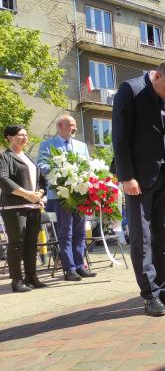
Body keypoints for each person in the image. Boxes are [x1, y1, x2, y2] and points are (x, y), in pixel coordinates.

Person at [112, 59, 165, 316]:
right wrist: (127, 176)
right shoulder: (131, 90)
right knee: (142, 238)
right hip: (138, 179)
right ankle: (149, 294)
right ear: (156, 76)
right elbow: (120, 136)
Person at [38, 115, 96, 281]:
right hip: (59, 194)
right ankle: (69, 268)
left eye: (75, 125)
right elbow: (42, 166)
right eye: (71, 125)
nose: (74, 128)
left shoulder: (81, 145)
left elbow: (87, 166)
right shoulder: (47, 145)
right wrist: (63, 170)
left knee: (80, 232)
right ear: (60, 126)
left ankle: (79, 265)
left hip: (79, 194)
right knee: (66, 232)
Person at [0, 125, 47, 292]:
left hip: (33, 206)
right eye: (20, 135)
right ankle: (17, 280)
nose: (25, 138)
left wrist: (39, 193)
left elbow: (42, 181)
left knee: (31, 243)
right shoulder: (5, 157)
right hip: (14, 207)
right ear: (9, 137)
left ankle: (32, 277)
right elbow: (3, 180)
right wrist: (27, 194)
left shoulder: (29, 158)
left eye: (26, 135)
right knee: (16, 243)